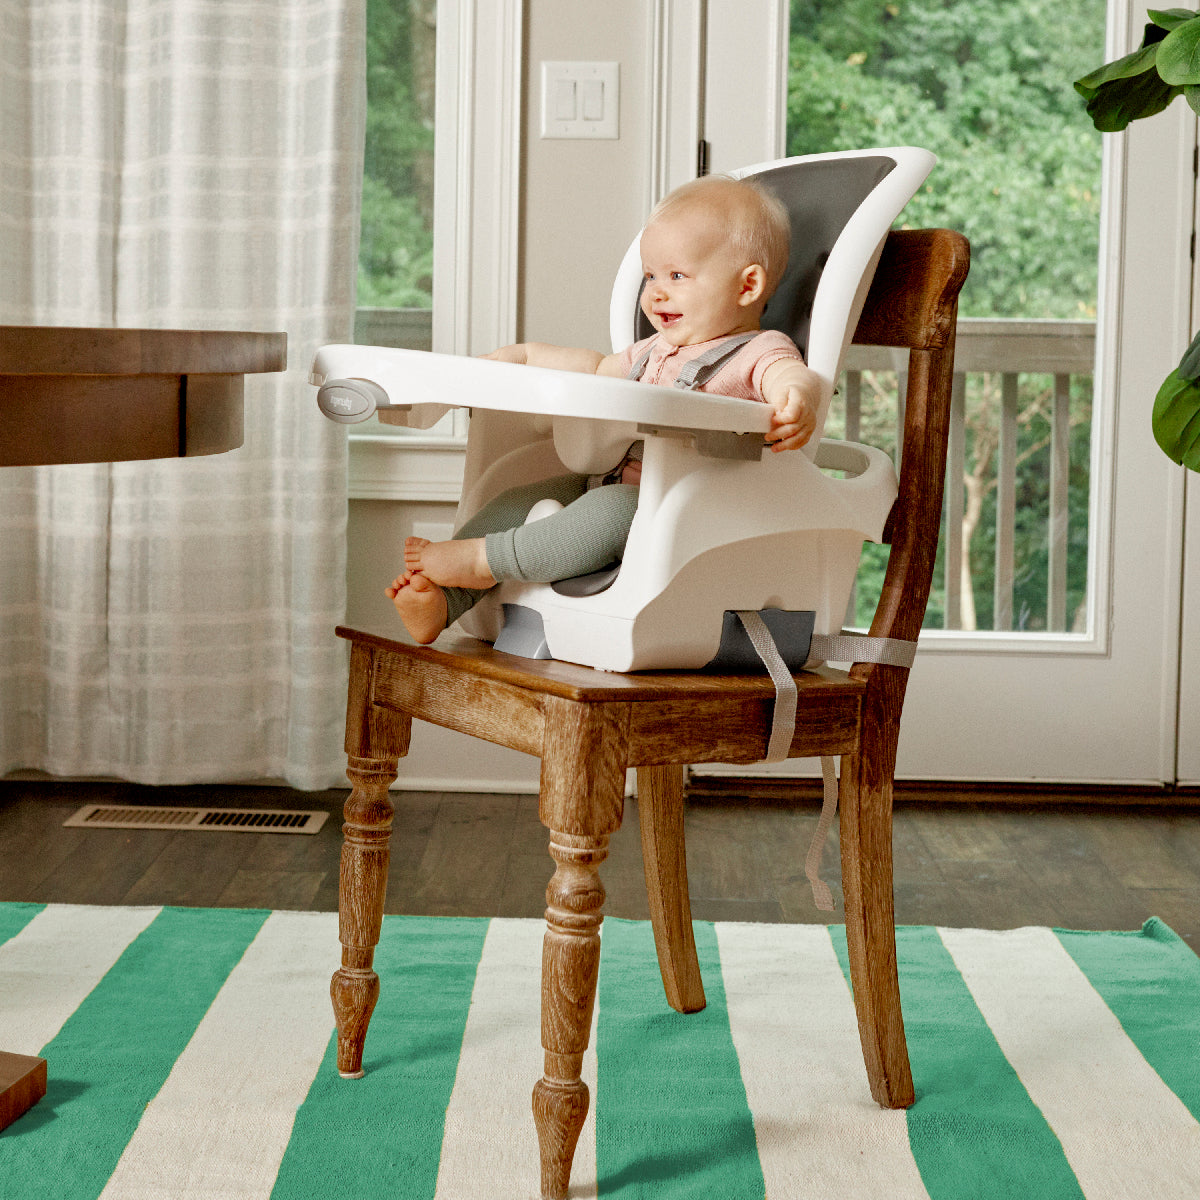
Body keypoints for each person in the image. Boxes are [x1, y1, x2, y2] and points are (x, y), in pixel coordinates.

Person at [387, 173, 823, 644]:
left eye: (676, 275)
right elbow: (594, 368)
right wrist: (523, 357)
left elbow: (788, 374)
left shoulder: (755, 351)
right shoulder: (652, 351)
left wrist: (794, 400)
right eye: (651, 275)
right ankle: (443, 602)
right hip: (610, 479)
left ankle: (480, 561)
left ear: (747, 285)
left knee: (613, 511)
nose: (655, 292)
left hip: (683, 507)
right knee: (518, 500)